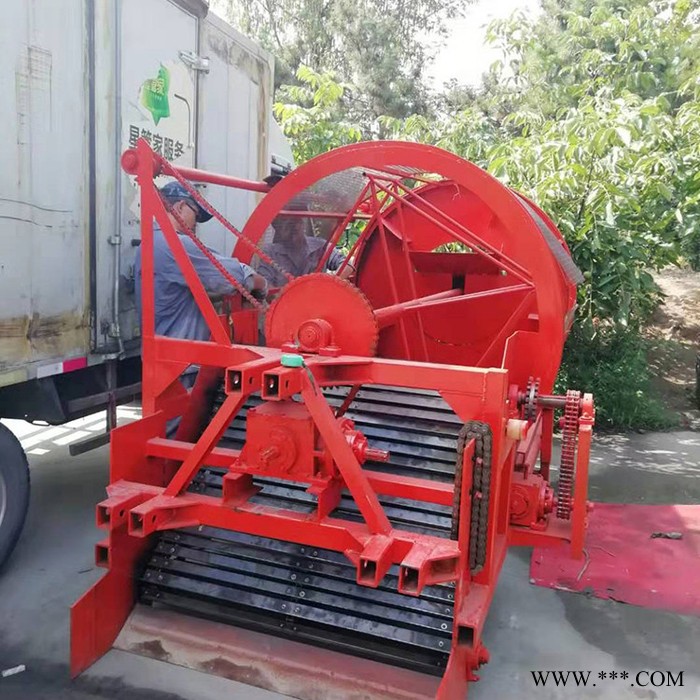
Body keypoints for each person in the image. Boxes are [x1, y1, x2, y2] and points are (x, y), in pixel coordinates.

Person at [134, 181, 267, 342]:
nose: (196, 223)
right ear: (180, 206)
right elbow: (231, 277)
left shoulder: (149, 242)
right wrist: (262, 284)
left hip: (159, 348)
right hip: (181, 352)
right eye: (196, 214)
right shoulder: (175, 244)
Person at [256, 198, 353, 289]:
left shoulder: (320, 246)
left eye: (296, 222)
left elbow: (347, 265)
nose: (293, 228)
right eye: (287, 224)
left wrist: (328, 285)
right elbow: (265, 286)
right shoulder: (270, 253)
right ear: (278, 229)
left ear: (303, 224)